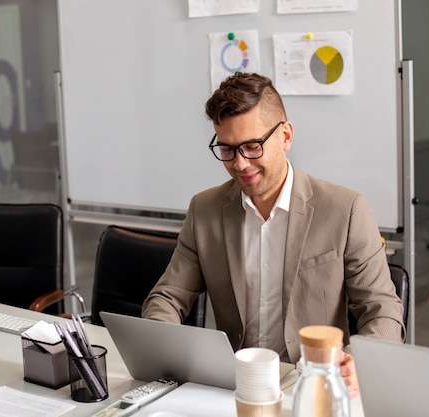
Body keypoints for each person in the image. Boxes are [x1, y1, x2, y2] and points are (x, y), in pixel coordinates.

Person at [141, 71, 405, 398]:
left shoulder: (345, 209)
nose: (240, 164)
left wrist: (357, 366)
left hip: (314, 385)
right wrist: (163, 345)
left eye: (252, 147)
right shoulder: (204, 210)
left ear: (286, 136)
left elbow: (383, 310)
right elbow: (167, 297)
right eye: (227, 149)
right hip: (236, 387)